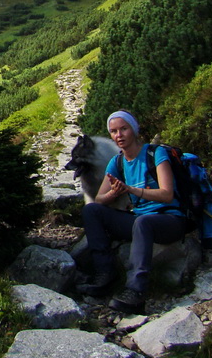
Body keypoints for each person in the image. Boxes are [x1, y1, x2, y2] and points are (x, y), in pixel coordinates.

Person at [75, 110, 190, 314]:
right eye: (113, 131)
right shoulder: (117, 162)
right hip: (139, 220)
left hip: (169, 220)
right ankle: (105, 273)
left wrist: (132, 190)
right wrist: (113, 193)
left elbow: (167, 194)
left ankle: (136, 291)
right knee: (92, 210)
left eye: (123, 129)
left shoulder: (156, 154)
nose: (119, 135)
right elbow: (100, 199)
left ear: (134, 130)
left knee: (143, 222)